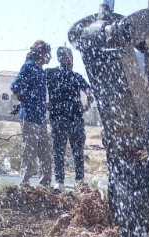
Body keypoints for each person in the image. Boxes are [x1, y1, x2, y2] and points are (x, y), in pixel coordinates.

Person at [46, 47, 94, 191]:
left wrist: (88, 103)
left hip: (75, 119)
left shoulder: (76, 76)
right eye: (65, 56)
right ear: (59, 58)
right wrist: (44, 103)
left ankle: (79, 181)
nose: (69, 59)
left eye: (70, 57)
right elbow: (37, 87)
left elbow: (89, 90)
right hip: (58, 119)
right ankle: (59, 182)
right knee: (58, 151)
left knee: (78, 151)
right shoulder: (50, 73)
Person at [11, 40, 52, 187]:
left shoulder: (41, 71)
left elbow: (35, 93)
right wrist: (25, 100)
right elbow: (15, 86)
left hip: (40, 117)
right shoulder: (29, 66)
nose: (48, 56)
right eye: (47, 53)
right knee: (30, 151)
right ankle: (24, 184)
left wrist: (44, 105)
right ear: (41, 54)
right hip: (29, 117)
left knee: (45, 151)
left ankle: (45, 183)